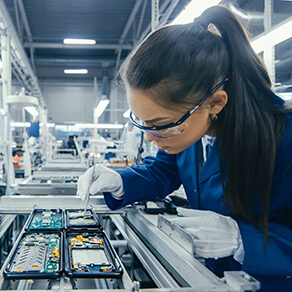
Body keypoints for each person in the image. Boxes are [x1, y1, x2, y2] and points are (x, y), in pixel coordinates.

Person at [77, 5, 292, 291]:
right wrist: (119, 181)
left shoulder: (283, 139)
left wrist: (243, 240)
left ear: (215, 103)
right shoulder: (191, 129)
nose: (151, 137)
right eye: (141, 121)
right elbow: (163, 170)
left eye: (159, 124)